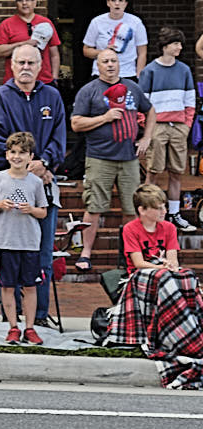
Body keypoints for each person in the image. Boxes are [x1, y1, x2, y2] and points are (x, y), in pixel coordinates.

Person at [0, 42, 66, 325]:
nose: (26, 68)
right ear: (12, 65)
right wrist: (24, 167)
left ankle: (38, 317)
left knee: (41, 257)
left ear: (41, 65)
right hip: (10, 188)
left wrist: (44, 163)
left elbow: (60, 137)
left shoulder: (53, 97)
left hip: (43, 186)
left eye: (31, 63)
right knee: (12, 258)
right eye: (21, 63)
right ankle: (13, 319)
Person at [70, 47, 156, 271]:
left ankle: (130, 256)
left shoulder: (132, 88)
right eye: (105, 61)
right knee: (94, 206)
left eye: (113, 61)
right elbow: (76, 123)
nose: (110, 65)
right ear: (97, 66)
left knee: (131, 208)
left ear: (119, 64)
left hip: (129, 158)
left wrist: (146, 138)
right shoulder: (89, 91)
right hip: (99, 158)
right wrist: (104, 117)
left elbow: (151, 110)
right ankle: (86, 254)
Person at [0, 130, 48, 345]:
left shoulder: (36, 182)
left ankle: (30, 328)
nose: (17, 156)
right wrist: (1, 205)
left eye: (22, 152)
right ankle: (13, 326)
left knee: (30, 286)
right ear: (6, 154)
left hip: (29, 241)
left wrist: (31, 209)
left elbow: (43, 212)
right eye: (13, 152)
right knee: (7, 286)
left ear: (31, 157)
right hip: (6, 241)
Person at [138, 27, 196, 229]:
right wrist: (147, 128)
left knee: (177, 171)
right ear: (165, 46)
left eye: (180, 43)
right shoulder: (150, 71)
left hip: (178, 126)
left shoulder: (184, 70)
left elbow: (190, 101)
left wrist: (186, 125)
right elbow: (142, 103)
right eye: (175, 43)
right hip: (157, 127)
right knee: (153, 170)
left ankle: (174, 213)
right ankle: (147, 211)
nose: (179, 47)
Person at [0, 0, 60, 85]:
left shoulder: (46, 23)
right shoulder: (7, 24)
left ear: (35, 3)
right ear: (16, 3)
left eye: (28, 0)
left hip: (43, 81)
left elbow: (54, 54)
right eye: (20, 0)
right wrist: (23, 44)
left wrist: (54, 78)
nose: (24, 3)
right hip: (15, 83)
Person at [83, 0, 147, 79]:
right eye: (113, 0)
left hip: (127, 73)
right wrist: (104, 52)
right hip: (101, 75)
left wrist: (139, 76)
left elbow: (142, 52)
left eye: (121, 0)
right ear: (108, 3)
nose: (117, 3)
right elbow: (86, 50)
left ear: (126, 4)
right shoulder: (97, 22)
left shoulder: (136, 22)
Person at [121, 184, 179, 275]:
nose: (165, 211)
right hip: (140, 273)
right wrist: (161, 268)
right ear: (142, 210)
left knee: (189, 276)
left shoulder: (170, 228)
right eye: (159, 208)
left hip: (165, 271)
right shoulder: (130, 229)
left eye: (164, 207)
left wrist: (171, 267)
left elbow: (173, 260)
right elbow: (138, 263)